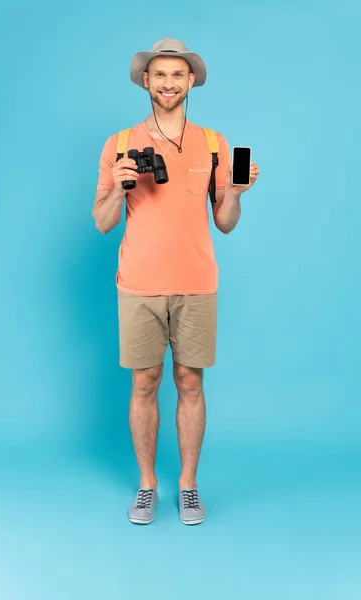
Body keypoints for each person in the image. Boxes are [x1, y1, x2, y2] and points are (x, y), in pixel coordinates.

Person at [92, 38, 260, 526]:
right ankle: (148, 486)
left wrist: (235, 192)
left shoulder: (213, 143)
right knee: (144, 382)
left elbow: (225, 221)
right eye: (159, 75)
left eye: (177, 75)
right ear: (146, 80)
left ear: (190, 82)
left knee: (190, 381)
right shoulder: (120, 143)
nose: (168, 83)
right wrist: (120, 188)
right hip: (139, 284)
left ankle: (188, 486)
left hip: (196, 283)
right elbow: (102, 221)